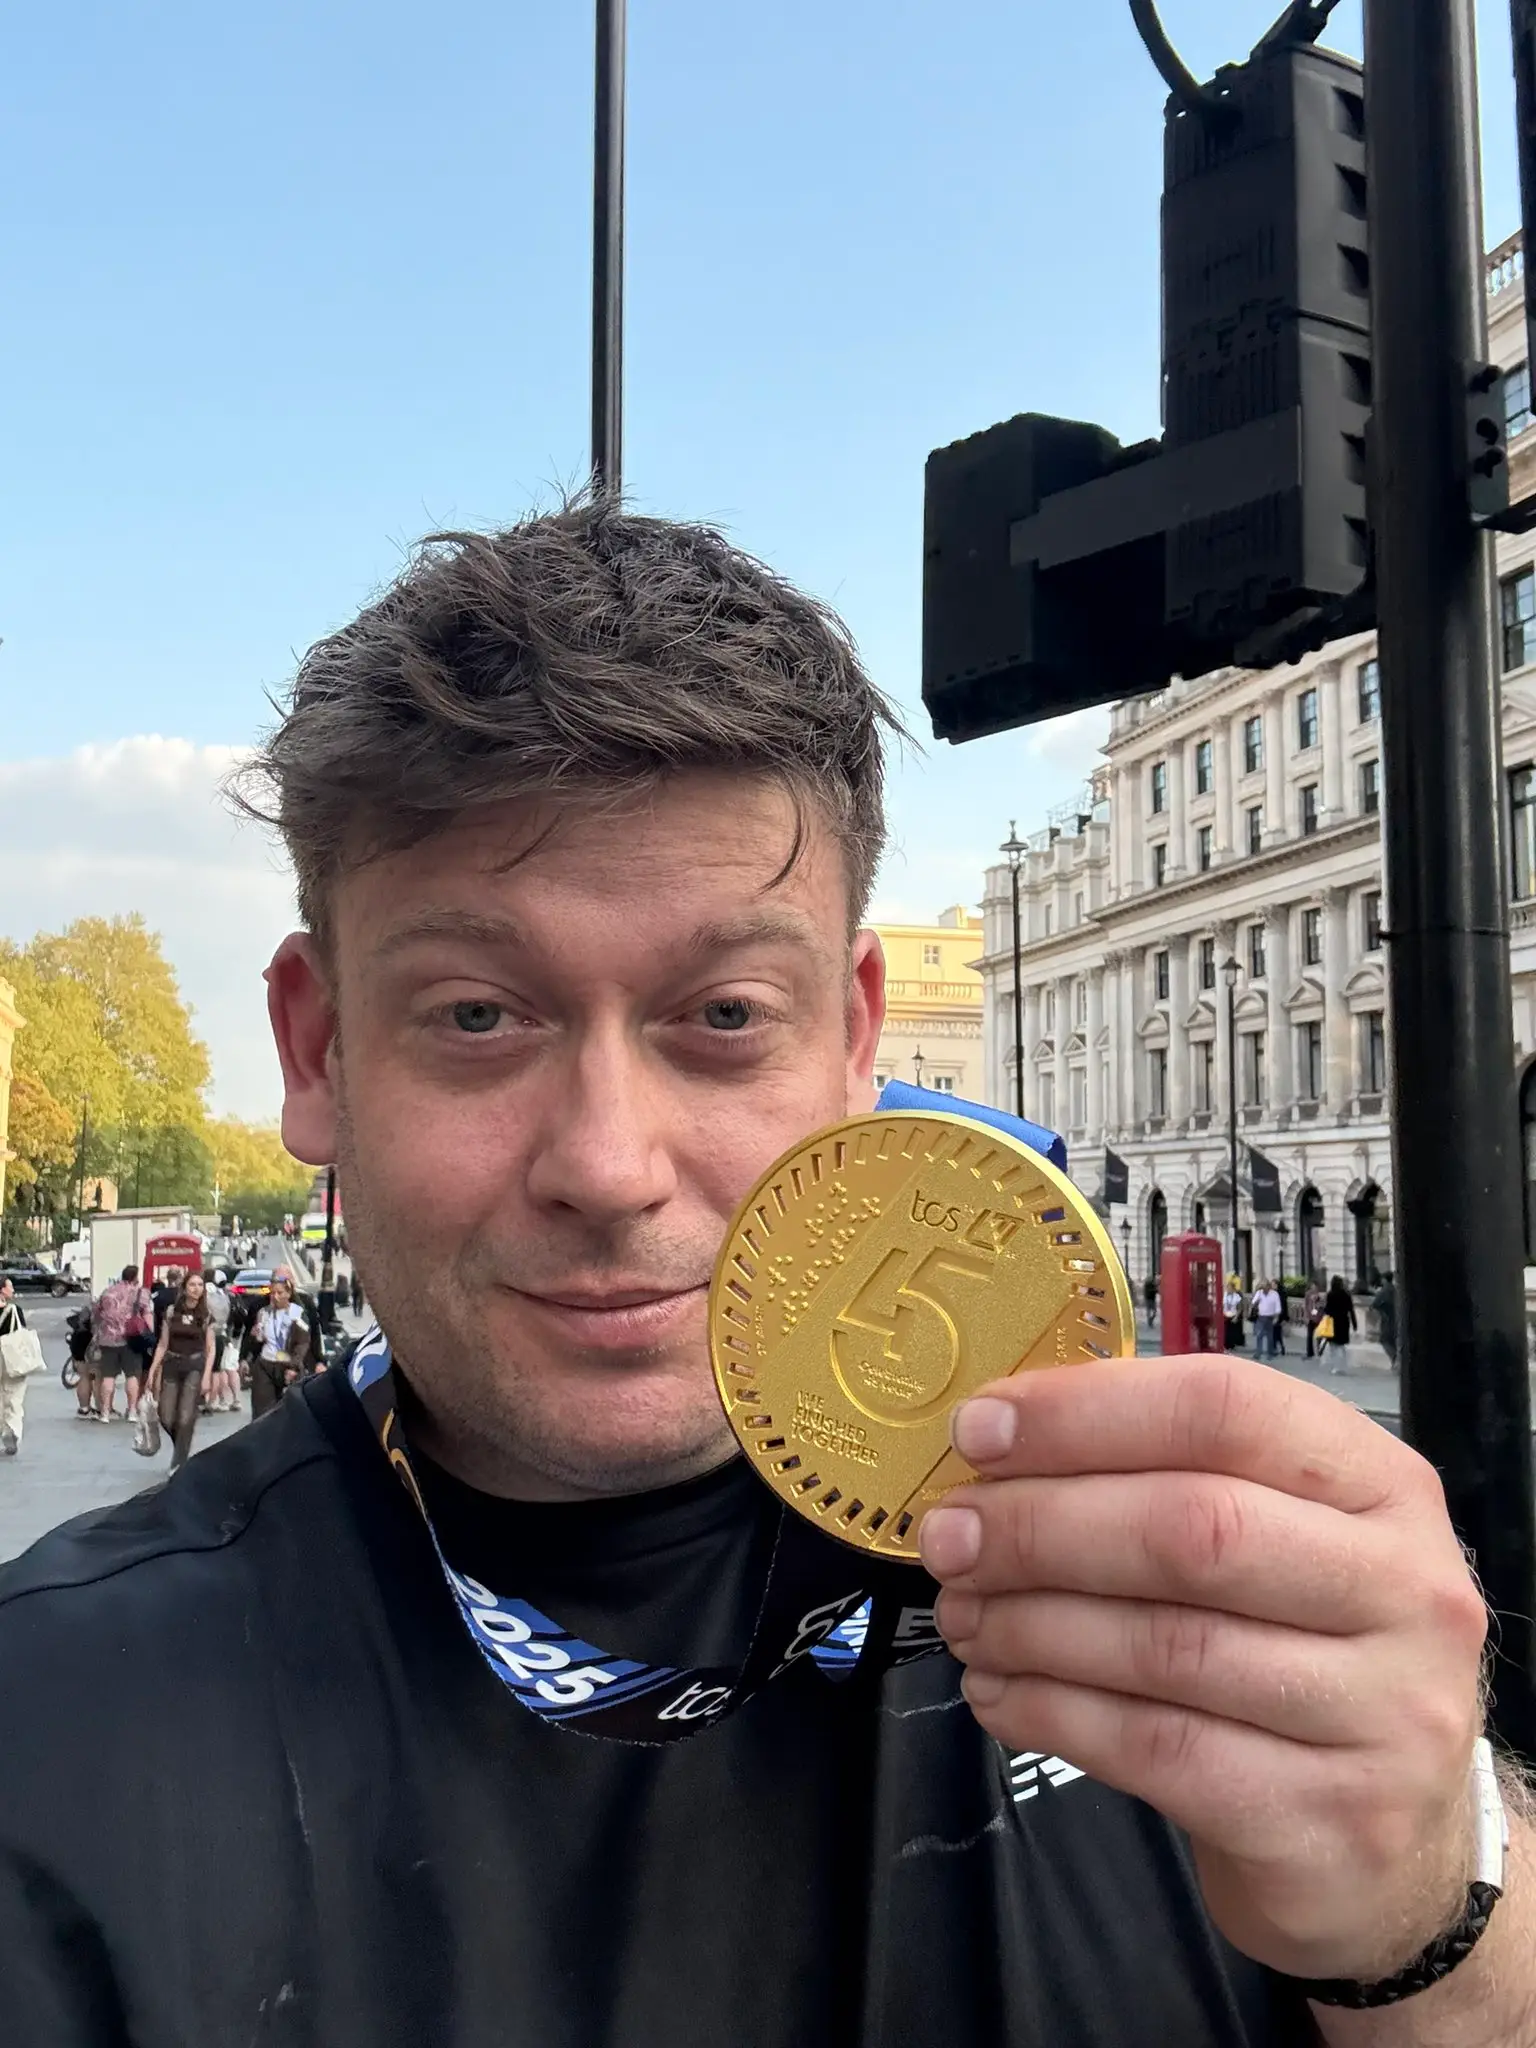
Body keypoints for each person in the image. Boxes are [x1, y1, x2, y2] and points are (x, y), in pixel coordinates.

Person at [0, 505, 1524, 2042]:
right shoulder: (45, 1735)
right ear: (319, 1050)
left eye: (724, 1015)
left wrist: (1429, 1916)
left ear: (854, 1041)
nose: (609, 1164)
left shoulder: (1204, 1593)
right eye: (478, 1016)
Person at [146, 1271, 216, 1471]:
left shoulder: (206, 1315)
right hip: (172, 1364)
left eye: (200, 1285)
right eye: (192, 1284)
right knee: (166, 1415)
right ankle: (182, 1445)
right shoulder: (171, 1312)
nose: (196, 1289)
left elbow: (211, 1349)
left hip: (194, 1366)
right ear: (184, 1288)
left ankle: (179, 1461)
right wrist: (152, 1371)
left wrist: (207, 1377)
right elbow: (162, 1344)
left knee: (185, 1416)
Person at [86, 1263, 151, 1424]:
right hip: (131, 1339)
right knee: (132, 1376)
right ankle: (132, 1412)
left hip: (107, 1340)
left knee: (108, 1377)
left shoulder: (108, 1292)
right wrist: (150, 1335)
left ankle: (105, 1413)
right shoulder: (140, 1293)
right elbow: (148, 1315)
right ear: (135, 1278)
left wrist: (99, 1332)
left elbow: (96, 1314)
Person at [243, 1270, 309, 1417]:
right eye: (272, 1293)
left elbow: (302, 1343)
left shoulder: (297, 1313)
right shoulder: (263, 1313)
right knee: (262, 1413)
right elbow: (256, 1342)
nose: (275, 1297)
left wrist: (294, 1367)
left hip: (287, 1365)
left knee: (290, 1413)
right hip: (265, 1364)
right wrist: (255, 1337)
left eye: (280, 1293)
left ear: (289, 1293)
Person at [0, 1278, 30, 1456]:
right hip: (12, 1357)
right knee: (14, 1395)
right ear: (2, 1290)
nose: (13, 1289)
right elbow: (22, 1333)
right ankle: (11, 1429)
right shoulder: (14, 1311)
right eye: (10, 1287)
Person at [204, 1269, 237, 1410]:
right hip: (222, 1332)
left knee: (211, 1369)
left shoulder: (207, 1295)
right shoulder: (224, 1296)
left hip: (208, 1333)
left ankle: (210, 1399)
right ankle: (215, 1400)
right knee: (217, 1369)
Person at [1321, 1273, 1357, 1373]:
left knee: (1333, 1346)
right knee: (1341, 1346)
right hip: (1344, 1322)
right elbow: (1351, 1310)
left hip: (1333, 1323)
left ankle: (1336, 1366)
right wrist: (1354, 1324)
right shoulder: (1346, 1295)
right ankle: (1343, 1365)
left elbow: (1327, 1310)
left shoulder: (1330, 1295)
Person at [1250, 1278, 1282, 1362]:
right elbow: (1253, 1303)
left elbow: (1277, 1306)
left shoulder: (1274, 1294)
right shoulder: (1259, 1293)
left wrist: (1276, 1317)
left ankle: (1270, 1353)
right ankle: (1258, 1353)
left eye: (1265, 1287)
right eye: (1262, 1287)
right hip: (1261, 1317)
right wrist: (1257, 1300)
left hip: (1270, 1317)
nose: (1264, 1289)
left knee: (1270, 1336)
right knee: (1259, 1335)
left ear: (1269, 1286)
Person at [1371, 1271, 1398, 1370]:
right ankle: (1395, 1359)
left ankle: (1394, 1358)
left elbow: (1375, 1304)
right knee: (1393, 1340)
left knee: (1384, 1340)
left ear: (1384, 1279)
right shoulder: (1395, 1289)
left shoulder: (1384, 1291)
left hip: (1386, 1318)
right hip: (1396, 1318)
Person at [1302, 1277, 1325, 1358]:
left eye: (1315, 1287)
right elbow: (1305, 1305)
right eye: (1312, 1286)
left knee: (1319, 1337)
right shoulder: (1308, 1294)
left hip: (1319, 1318)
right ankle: (1309, 1352)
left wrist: (1318, 1300)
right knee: (1309, 1336)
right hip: (1310, 1318)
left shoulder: (1321, 1295)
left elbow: (1323, 1306)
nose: (1314, 1288)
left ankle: (1320, 1352)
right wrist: (1305, 1316)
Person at [1221, 1275, 1245, 1351]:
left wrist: (1236, 1317)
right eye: (1227, 1287)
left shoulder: (1237, 1296)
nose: (1229, 1289)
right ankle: (1225, 1345)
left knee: (1233, 1333)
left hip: (1233, 1315)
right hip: (1225, 1315)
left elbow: (1239, 1308)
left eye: (1230, 1288)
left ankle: (1232, 1345)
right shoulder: (1223, 1295)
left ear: (1233, 1289)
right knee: (1225, 1332)